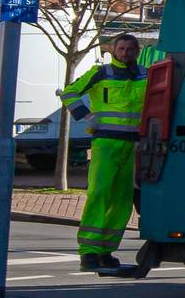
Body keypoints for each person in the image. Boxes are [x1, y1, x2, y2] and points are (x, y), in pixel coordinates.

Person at [61, 32, 148, 272]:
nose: (125, 53)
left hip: (133, 145)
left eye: (130, 49)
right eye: (121, 49)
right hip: (106, 144)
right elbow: (69, 93)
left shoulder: (145, 75)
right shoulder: (101, 73)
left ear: (137, 51)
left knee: (122, 201)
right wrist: (86, 116)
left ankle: (106, 251)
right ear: (113, 50)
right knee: (99, 195)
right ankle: (88, 252)